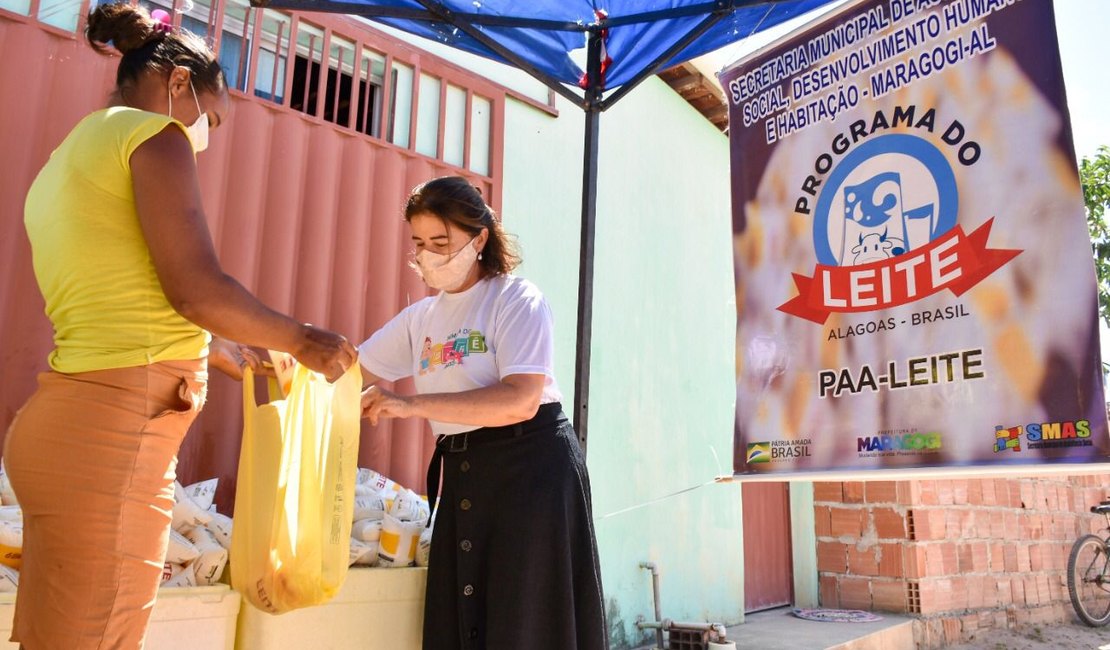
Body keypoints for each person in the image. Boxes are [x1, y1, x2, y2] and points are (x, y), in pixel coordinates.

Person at [4, 3, 357, 648]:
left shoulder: (70, 154)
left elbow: (117, 291)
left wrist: (211, 345)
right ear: (176, 85)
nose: (205, 137)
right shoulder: (154, 135)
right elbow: (196, 289)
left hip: (67, 424)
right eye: (210, 118)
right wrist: (302, 339)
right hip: (114, 438)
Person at [358, 176, 608, 650]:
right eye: (419, 242)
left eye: (441, 242)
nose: (428, 254)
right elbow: (348, 365)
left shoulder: (517, 300)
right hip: (466, 472)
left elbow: (521, 398)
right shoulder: (421, 319)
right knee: (464, 617)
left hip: (531, 470)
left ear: (479, 239)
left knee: (527, 622)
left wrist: (411, 404)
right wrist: (274, 356)